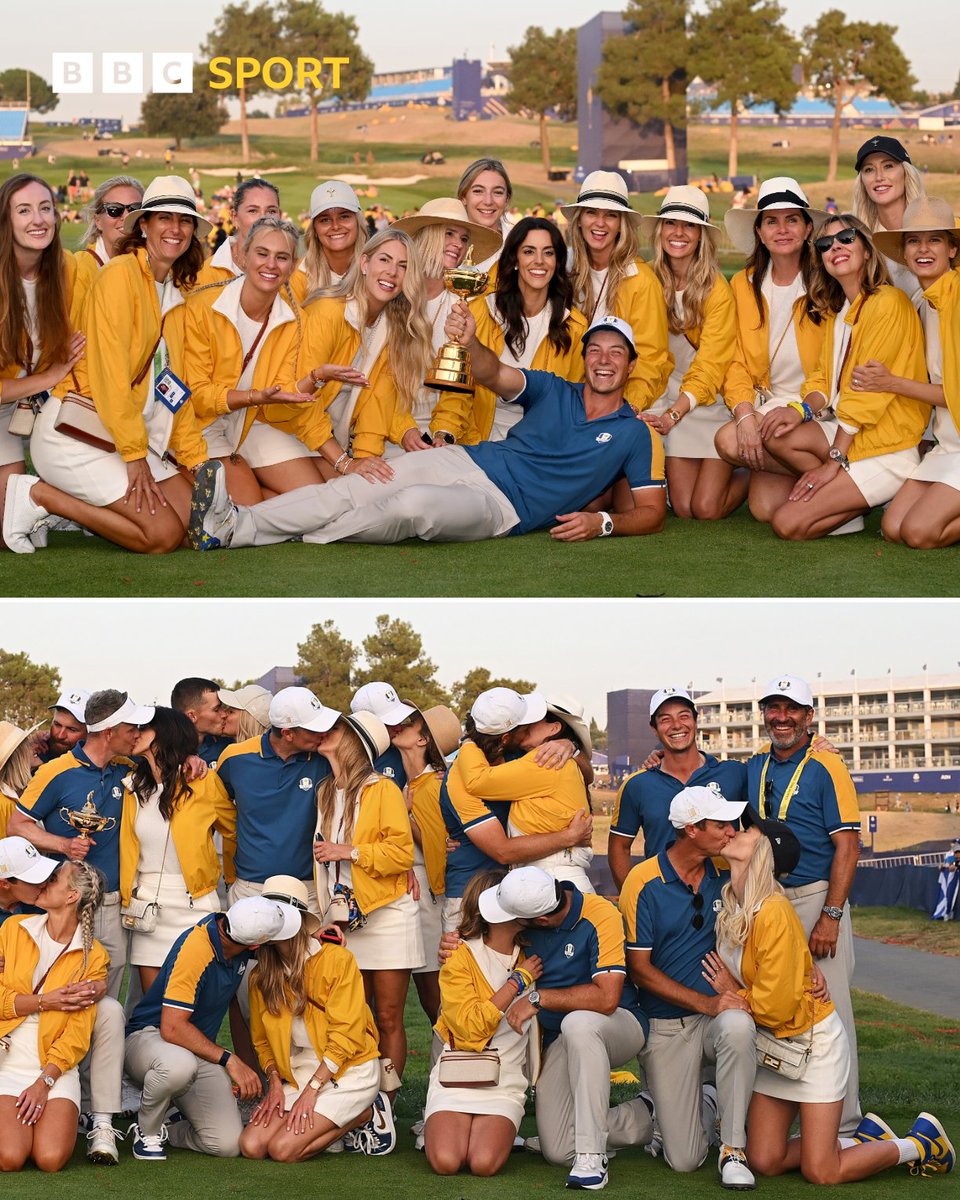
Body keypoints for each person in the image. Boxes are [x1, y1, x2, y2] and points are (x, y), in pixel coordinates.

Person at [187, 314, 667, 549]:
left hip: (503, 509)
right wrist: (471, 341)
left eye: (615, 352)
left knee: (411, 508)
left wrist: (603, 523)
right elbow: (494, 374)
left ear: (630, 363)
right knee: (358, 485)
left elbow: (650, 513)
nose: (604, 360)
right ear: (585, 357)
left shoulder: (635, 433)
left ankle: (296, 531)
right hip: (468, 459)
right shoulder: (552, 388)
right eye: (596, 350)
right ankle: (235, 527)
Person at [713, 810, 955, 1183]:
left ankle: (920, 1144)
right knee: (763, 1159)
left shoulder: (774, 911)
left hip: (813, 1046)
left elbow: (776, 1007)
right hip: (777, 1050)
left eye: (746, 831)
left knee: (821, 1171)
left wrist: (735, 995)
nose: (734, 833)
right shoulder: (737, 903)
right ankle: (858, 1142)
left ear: (763, 851)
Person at [8, 176, 211, 556]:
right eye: (163, 218)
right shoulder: (119, 276)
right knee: (163, 536)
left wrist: (196, 461)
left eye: (184, 220)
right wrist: (135, 457)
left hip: (119, 431)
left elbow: (174, 388)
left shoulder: (176, 292)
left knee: (191, 527)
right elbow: (111, 377)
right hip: (76, 430)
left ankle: (84, 504)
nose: (175, 229)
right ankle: (40, 497)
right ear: (144, 226)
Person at [620, 786, 757, 1188]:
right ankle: (699, 1099)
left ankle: (733, 1148)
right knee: (684, 1159)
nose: (731, 831)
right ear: (692, 830)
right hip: (666, 1026)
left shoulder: (729, 870)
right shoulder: (642, 881)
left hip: (717, 1019)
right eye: (721, 824)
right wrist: (707, 1002)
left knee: (737, 1026)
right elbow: (640, 970)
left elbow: (767, 930)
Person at [744, 675, 862, 1135]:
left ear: (809, 716)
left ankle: (846, 1126)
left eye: (791, 708)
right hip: (769, 898)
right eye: (773, 708)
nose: (781, 717)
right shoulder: (754, 764)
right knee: (777, 1007)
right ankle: (790, 1122)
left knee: (829, 1008)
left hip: (816, 897)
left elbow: (848, 846)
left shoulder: (827, 766)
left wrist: (831, 915)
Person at [764, 215, 929, 541]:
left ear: (867, 250)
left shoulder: (887, 303)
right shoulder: (840, 310)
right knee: (775, 433)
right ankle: (846, 510)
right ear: (821, 260)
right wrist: (800, 411)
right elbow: (824, 377)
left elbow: (864, 393)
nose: (835, 247)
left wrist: (833, 463)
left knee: (786, 523)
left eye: (846, 238)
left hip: (888, 448)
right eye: (825, 244)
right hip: (853, 436)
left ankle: (857, 495)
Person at [492, 867, 654, 1190]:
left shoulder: (600, 914)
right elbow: (479, 935)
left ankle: (592, 1155)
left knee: (577, 1022)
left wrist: (538, 999)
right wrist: (452, 940)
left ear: (539, 920)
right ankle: (647, 1115)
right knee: (558, 1149)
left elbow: (608, 998)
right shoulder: (530, 911)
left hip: (621, 1023)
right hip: (560, 1040)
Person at [123, 895, 302, 1160]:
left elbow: (296, 944)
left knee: (227, 1144)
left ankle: (169, 1129)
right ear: (255, 945)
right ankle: (147, 1131)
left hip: (194, 1050)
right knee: (179, 1066)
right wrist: (229, 1059)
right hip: (148, 1038)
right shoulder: (197, 948)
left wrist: (325, 936)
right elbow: (171, 1028)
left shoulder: (235, 931)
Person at [11, 688, 155, 1000]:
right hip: (66, 903)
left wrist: (192, 758)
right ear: (109, 732)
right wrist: (63, 845)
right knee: (63, 989)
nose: (137, 735)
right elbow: (17, 826)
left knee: (108, 995)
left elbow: (166, 763)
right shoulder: (54, 771)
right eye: (132, 729)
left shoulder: (127, 768)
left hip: (114, 902)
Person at [241, 875, 392, 1161]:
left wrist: (312, 1090)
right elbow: (261, 1043)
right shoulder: (261, 976)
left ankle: (363, 1114)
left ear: (296, 920)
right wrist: (274, 1080)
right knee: (252, 1146)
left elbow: (347, 1035)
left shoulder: (336, 960)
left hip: (348, 1067)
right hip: (301, 1068)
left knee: (283, 1150)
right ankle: (327, 1120)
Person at [311, 709, 419, 1102]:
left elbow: (402, 853)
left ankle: (384, 1104)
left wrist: (349, 851)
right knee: (352, 1014)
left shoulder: (383, 789)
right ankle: (355, 1099)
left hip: (387, 912)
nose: (325, 732)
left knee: (388, 1016)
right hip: (344, 917)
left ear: (355, 742)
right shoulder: (325, 790)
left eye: (336, 728)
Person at [186, 217, 330, 504]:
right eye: (262, 253)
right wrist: (253, 396)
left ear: (292, 267)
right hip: (197, 426)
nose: (271, 265)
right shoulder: (202, 307)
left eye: (282, 258)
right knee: (249, 503)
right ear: (243, 255)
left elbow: (281, 392)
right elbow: (196, 395)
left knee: (320, 495)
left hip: (250, 424)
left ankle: (265, 505)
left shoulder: (295, 320)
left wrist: (315, 378)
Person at [717, 178, 833, 524]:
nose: (782, 229)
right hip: (766, 404)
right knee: (764, 508)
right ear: (760, 231)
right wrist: (745, 413)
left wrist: (802, 408)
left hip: (817, 407)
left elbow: (833, 365)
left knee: (726, 439)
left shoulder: (828, 281)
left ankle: (837, 480)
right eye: (772, 221)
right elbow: (733, 360)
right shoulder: (742, 283)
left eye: (791, 220)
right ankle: (809, 473)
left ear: (808, 227)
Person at [440, 688, 593, 928]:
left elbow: (587, 772)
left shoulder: (538, 758)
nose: (528, 724)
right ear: (504, 738)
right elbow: (502, 850)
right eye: (525, 722)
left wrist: (570, 745)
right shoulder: (464, 774)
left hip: (542, 882)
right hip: (472, 896)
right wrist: (568, 836)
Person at [423, 869, 542, 1176]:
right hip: (457, 1073)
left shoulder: (535, 952)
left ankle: (491, 1130)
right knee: (446, 1161)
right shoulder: (460, 957)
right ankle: (442, 1123)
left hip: (506, 1078)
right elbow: (470, 1030)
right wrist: (518, 982)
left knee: (484, 1163)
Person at [433, 217, 588, 445]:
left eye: (548, 253)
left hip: (537, 449)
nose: (539, 261)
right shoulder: (481, 311)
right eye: (528, 252)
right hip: (478, 442)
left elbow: (572, 402)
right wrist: (445, 432)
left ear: (557, 262)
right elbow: (459, 390)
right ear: (514, 259)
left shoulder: (574, 325)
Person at [0, 855, 107, 1173]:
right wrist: (45, 1001)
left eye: (54, 880)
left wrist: (44, 1082)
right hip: (8, 1061)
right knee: (9, 1157)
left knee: (50, 1159)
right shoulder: (13, 928)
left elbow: (78, 1031)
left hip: (54, 1068)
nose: (43, 883)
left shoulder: (94, 956)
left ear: (72, 896)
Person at [639, 186, 740, 520]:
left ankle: (755, 473)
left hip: (704, 400)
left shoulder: (717, 291)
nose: (678, 233)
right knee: (683, 507)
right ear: (660, 230)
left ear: (701, 236)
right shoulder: (646, 277)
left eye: (689, 225)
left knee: (706, 509)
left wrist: (674, 414)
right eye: (671, 223)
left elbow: (711, 365)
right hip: (665, 395)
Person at [295, 228, 433, 470]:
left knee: (367, 489)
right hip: (289, 425)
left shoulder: (394, 327)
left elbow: (378, 399)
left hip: (327, 437)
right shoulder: (328, 312)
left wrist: (366, 456)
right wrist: (346, 463)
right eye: (384, 260)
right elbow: (300, 402)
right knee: (332, 501)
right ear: (364, 263)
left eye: (403, 266)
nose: (392, 272)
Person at [120, 707, 236, 992]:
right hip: (147, 909)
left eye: (142, 729)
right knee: (153, 1007)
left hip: (194, 905)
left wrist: (231, 879)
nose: (134, 734)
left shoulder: (202, 781)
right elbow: (103, 749)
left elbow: (233, 830)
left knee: (189, 1006)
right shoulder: (131, 784)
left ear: (163, 733)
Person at [0, 173, 82, 546]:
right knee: (4, 532)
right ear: (6, 220)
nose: (38, 219)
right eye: (24, 210)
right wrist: (51, 375)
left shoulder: (65, 270)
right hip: (12, 399)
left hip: (29, 403)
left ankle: (57, 505)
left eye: (45, 208)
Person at [874, 198, 960, 548]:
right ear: (905, 253)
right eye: (914, 241)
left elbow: (954, 395)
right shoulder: (922, 305)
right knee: (893, 527)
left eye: (935, 240)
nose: (923, 249)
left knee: (918, 533)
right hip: (947, 443)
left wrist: (891, 383)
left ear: (953, 249)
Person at [608, 687, 748, 891]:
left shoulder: (734, 773)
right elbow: (619, 848)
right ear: (654, 729)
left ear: (695, 721)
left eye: (684, 716)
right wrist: (634, 898)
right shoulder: (637, 785)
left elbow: (756, 833)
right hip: (664, 900)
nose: (676, 725)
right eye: (665, 719)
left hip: (725, 895)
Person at [389, 197, 502, 447]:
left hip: (448, 434)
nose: (457, 244)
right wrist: (404, 431)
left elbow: (462, 386)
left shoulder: (469, 306)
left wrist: (444, 432)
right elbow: (378, 383)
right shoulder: (390, 294)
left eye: (463, 238)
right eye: (449, 234)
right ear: (428, 235)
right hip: (387, 429)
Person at [212, 686, 334, 911]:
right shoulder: (234, 758)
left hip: (307, 889)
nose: (323, 733)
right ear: (288, 733)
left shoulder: (325, 758)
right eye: (314, 728)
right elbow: (216, 808)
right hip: (250, 889)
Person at [561, 171, 670, 413]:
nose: (600, 223)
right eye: (591, 213)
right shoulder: (565, 270)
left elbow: (650, 359)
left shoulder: (642, 281)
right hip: (577, 401)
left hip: (634, 406)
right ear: (579, 219)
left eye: (610, 215)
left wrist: (622, 410)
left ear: (621, 224)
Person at [388, 702, 461, 1023]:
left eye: (409, 724)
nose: (399, 726)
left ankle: (451, 1065)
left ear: (423, 741)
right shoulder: (412, 783)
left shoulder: (431, 786)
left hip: (429, 896)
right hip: (412, 893)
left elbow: (435, 849)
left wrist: (401, 815)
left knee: (434, 996)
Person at [851, 136, 926, 300]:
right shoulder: (860, 244)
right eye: (869, 169)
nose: (879, 177)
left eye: (888, 166)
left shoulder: (937, 229)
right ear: (862, 181)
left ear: (906, 173)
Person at [73, 176, 145, 314]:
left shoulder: (153, 266)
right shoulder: (80, 268)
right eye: (114, 210)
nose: (125, 217)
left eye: (134, 209)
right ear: (98, 220)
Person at [290, 181, 367, 306]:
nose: (335, 226)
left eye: (344, 216)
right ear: (314, 229)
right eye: (325, 220)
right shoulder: (298, 275)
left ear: (358, 222)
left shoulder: (376, 268)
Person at [195, 178, 281, 286]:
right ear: (234, 217)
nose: (263, 219)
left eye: (271, 211)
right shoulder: (204, 276)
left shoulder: (294, 275)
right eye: (253, 211)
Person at [456, 159, 513, 275]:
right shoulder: (444, 245)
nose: (488, 201)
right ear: (463, 197)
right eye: (478, 191)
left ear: (506, 199)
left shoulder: (519, 245)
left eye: (497, 192)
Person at [171, 676, 231, 765]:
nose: (224, 714)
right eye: (216, 709)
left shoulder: (226, 746)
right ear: (192, 716)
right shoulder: (165, 753)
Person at [34, 688, 91, 764]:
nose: (60, 736)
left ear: (89, 732)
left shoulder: (101, 768)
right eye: (57, 725)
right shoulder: (36, 751)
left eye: (72, 729)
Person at [1, 722, 38, 831]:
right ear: (20, 756)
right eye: (29, 745)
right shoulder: (4, 804)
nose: (34, 748)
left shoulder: (12, 797)